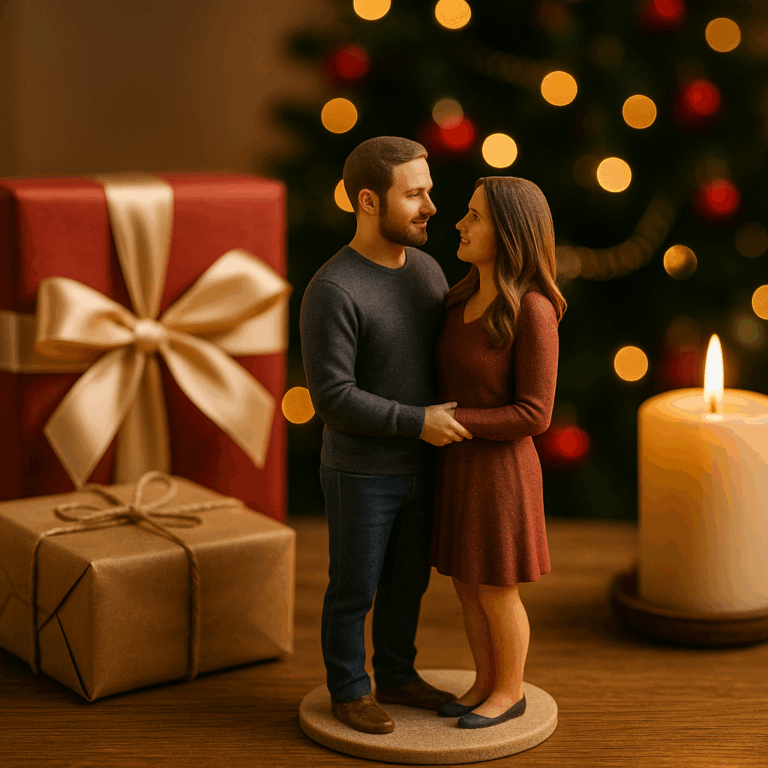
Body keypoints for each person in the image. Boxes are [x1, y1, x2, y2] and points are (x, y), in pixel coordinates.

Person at [299, 136, 472, 735]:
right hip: (361, 472)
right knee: (354, 589)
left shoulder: (427, 270)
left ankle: (397, 674)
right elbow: (332, 398)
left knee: (409, 583)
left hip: (424, 468)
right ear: (368, 201)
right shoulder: (333, 290)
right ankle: (349, 690)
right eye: (416, 194)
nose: (431, 207)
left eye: (430, 191)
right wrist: (417, 421)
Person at [429, 176, 566, 729]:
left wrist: (453, 420)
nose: (460, 223)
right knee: (466, 584)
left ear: (509, 232)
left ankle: (509, 691)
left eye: (475, 216)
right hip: (458, 465)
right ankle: (483, 681)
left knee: (496, 589)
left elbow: (536, 413)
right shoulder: (460, 297)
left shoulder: (532, 310)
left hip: (501, 471)